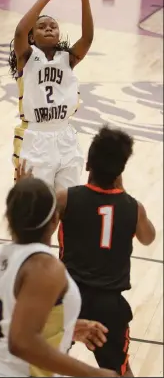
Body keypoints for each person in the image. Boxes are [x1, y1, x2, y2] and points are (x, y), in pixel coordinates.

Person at [0, 176, 118, 377]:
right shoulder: (45, 267)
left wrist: (65, 329)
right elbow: (21, 342)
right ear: (54, 220)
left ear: (9, 218)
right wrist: (96, 374)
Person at [54, 126, 155, 376]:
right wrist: (125, 197)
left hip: (68, 296)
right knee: (120, 372)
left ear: (88, 164)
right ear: (120, 170)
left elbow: (37, 236)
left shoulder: (65, 199)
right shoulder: (134, 208)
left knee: (44, 364)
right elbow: (148, 237)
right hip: (109, 305)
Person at [9, 0, 94, 189]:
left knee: (67, 205)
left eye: (53, 26)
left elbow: (86, 39)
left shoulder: (67, 58)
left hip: (65, 135)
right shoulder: (26, 57)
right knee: (35, 208)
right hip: (34, 137)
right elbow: (19, 31)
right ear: (32, 37)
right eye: (42, 26)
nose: (48, 28)